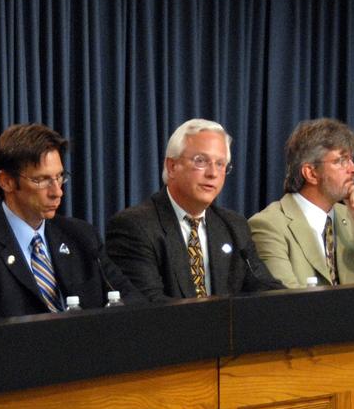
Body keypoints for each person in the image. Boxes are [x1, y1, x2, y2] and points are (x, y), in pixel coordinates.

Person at [0, 123, 138, 323]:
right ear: (6, 181)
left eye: (59, 177)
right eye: (42, 180)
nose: (57, 192)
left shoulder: (81, 236)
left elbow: (133, 304)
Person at [106, 119, 284, 301]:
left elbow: (264, 287)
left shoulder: (233, 226)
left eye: (220, 164)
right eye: (201, 161)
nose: (213, 173)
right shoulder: (135, 227)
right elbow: (149, 304)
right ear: (172, 166)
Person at [249, 118, 354, 287]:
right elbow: (285, 298)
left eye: (352, 160)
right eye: (341, 161)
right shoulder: (269, 225)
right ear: (311, 173)